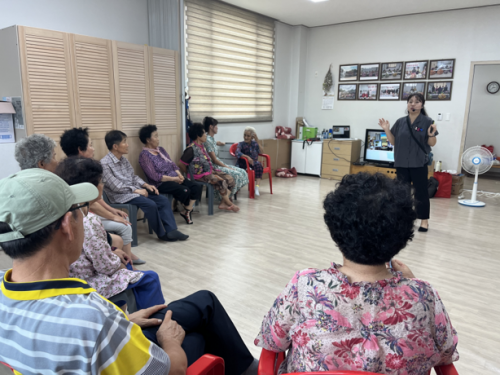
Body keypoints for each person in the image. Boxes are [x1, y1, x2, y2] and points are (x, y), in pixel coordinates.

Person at [255, 173, 458, 374]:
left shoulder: (305, 285)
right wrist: (413, 284)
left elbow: (272, 340)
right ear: (404, 235)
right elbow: (445, 353)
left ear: (335, 229)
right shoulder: (425, 294)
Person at [0, 169, 185, 374]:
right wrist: (170, 341)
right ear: (67, 224)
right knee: (203, 309)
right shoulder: (93, 317)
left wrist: (123, 322)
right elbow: (173, 371)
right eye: (79, 208)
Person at [55, 157, 165, 311]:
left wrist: (113, 252)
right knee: (149, 278)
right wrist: (119, 263)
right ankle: (152, 326)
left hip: (71, 277)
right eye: (100, 182)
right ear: (89, 188)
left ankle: (125, 316)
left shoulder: (61, 211)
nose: (103, 185)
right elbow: (105, 266)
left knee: (123, 261)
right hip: (87, 282)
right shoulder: (87, 220)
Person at [60, 127, 144, 264]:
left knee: (122, 221)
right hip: (85, 217)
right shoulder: (78, 171)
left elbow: (95, 199)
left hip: (88, 214)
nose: (93, 149)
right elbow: (90, 203)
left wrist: (111, 210)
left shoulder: (68, 166)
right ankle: (127, 264)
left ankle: (126, 255)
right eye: (91, 145)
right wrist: (112, 216)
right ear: (80, 149)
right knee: (123, 226)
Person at [101, 130, 188, 242]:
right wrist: (136, 190)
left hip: (134, 192)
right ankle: (162, 234)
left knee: (162, 200)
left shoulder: (124, 160)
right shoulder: (104, 163)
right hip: (120, 195)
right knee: (150, 204)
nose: (127, 145)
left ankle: (171, 230)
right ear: (115, 146)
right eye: (124, 142)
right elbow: (116, 187)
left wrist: (146, 185)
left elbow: (133, 177)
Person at [378, 93, 438, 232]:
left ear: (422, 105)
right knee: (401, 193)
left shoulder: (428, 121)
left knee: (421, 193)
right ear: (407, 104)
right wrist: (386, 129)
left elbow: (432, 143)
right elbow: (393, 142)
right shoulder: (400, 122)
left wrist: (430, 134)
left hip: (418, 163)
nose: (413, 104)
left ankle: (424, 221)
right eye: (410, 102)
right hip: (401, 162)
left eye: (417, 102)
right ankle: (402, 220)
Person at [138, 124, 202, 225]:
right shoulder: (144, 156)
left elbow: (172, 164)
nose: (158, 139)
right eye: (155, 136)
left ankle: (187, 210)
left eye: (157, 136)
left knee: (197, 187)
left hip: (174, 177)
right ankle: (186, 209)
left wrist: (179, 175)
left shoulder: (161, 150)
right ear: (148, 140)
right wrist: (174, 179)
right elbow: (155, 177)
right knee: (185, 190)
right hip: (161, 183)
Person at [180, 123, 239, 212]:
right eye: (203, 133)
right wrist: (190, 175)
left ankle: (223, 203)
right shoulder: (191, 149)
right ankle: (230, 204)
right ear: (198, 135)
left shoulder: (202, 146)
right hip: (200, 176)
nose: (205, 135)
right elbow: (180, 164)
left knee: (230, 179)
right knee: (221, 182)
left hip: (209, 172)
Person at [203, 117, 249, 201]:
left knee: (243, 172)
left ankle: (227, 196)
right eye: (216, 126)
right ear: (211, 127)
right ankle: (225, 198)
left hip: (218, 164)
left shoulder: (211, 139)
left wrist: (218, 143)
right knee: (236, 174)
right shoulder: (207, 140)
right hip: (214, 166)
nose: (217, 127)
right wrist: (227, 167)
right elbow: (214, 160)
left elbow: (212, 145)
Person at [236, 127, 263, 196]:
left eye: (248, 136)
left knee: (259, 165)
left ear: (252, 137)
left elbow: (262, 152)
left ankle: (257, 187)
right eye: (245, 135)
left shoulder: (255, 144)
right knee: (255, 164)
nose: (246, 137)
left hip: (253, 163)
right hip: (244, 163)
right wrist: (247, 157)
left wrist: (257, 140)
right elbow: (237, 152)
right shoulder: (241, 144)